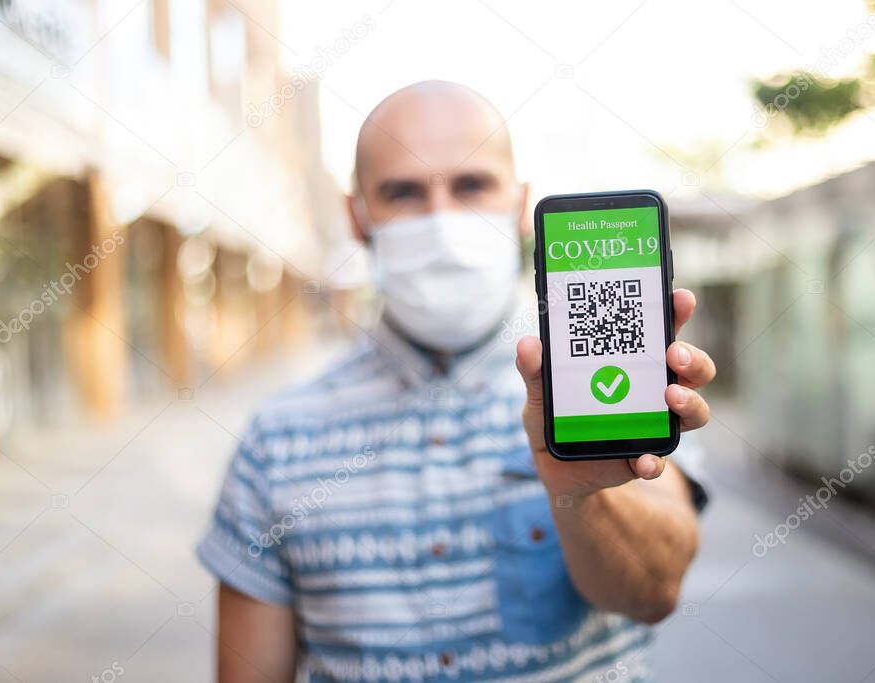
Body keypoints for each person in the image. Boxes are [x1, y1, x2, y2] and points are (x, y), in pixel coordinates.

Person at [197, 80, 716, 682]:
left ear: (520, 205)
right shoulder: (275, 443)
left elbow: (655, 592)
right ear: (357, 215)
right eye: (404, 192)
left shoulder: (611, 375)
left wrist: (576, 492)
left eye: (472, 185)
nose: (442, 218)